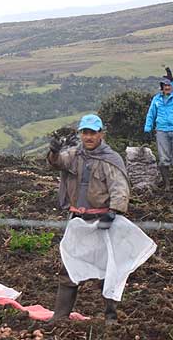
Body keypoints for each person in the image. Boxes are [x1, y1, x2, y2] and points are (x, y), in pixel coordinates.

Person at [47, 114, 131, 323]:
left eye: (92, 133)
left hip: (102, 221)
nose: (88, 137)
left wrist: (114, 212)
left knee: (108, 270)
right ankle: (60, 316)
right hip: (78, 221)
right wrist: (54, 151)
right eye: (85, 133)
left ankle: (110, 317)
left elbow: (119, 187)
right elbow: (57, 163)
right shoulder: (74, 156)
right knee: (69, 266)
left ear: (101, 134)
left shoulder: (110, 160)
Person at [143, 66, 173, 190]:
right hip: (161, 130)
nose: (167, 87)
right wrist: (147, 128)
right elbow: (151, 114)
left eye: (169, 85)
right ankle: (167, 185)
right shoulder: (157, 99)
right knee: (164, 158)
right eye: (165, 85)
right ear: (161, 87)